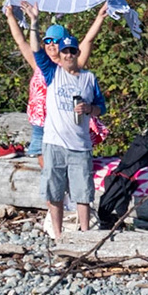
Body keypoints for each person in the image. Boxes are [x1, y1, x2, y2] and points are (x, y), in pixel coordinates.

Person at [3, 2, 109, 156]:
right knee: (39, 160)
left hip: (64, 124)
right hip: (41, 124)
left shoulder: (72, 64)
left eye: (57, 41)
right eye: (47, 40)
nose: (51, 44)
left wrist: (100, 17)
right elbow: (20, 41)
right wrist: (10, 16)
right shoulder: (39, 63)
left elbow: (87, 41)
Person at [41, 28, 102, 239]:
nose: (68, 55)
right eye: (64, 51)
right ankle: (57, 235)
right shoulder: (52, 73)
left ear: (77, 53)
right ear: (60, 53)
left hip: (80, 145)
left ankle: (84, 234)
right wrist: (34, 22)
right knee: (54, 191)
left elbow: (100, 107)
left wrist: (89, 109)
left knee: (83, 192)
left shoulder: (89, 78)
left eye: (72, 51)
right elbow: (31, 49)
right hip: (54, 143)